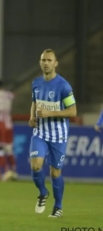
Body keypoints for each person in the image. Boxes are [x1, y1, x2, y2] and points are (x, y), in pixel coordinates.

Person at [29, 49, 77, 218]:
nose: (46, 63)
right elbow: (34, 102)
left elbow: (73, 111)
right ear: (40, 63)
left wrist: (50, 114)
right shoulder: (35, 82)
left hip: (58, 135)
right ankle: (43, 193)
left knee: (55, 172)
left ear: (55, 63)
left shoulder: (63, 86)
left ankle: (58, 207)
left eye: (49, 60)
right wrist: (31, 117)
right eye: (43, 60)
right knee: (35, 166)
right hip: (40, 132)